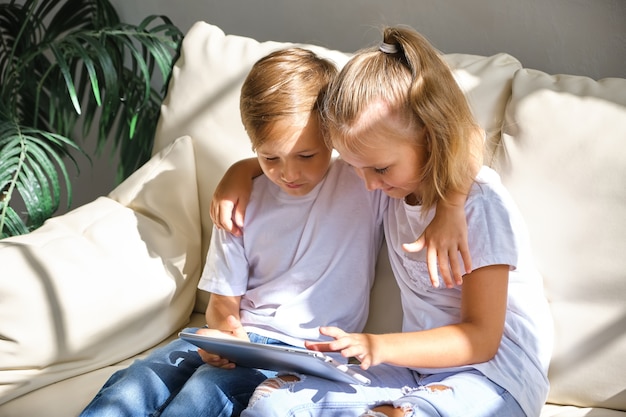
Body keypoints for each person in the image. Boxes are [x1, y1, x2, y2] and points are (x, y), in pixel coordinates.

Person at [234, 26, 553, 417]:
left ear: (430, 138)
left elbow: (481, 340)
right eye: (356, 168)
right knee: (276, 399)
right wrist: (238, 172)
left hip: (494, 378)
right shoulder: (392, 190)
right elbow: (294, 161)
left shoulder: (480, 206)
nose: (366, 183)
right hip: (414, 371)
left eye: (379, 168)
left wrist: (452, 207)